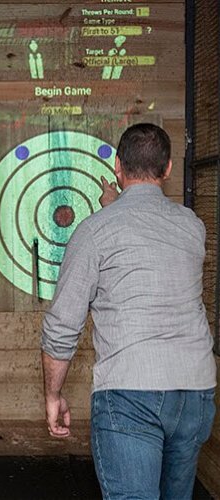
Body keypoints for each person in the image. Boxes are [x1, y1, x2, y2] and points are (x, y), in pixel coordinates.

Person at [41, 123, 217, 499]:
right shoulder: (193, 227)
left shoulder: (94, 232)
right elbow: (147, 240)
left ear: (118, 166)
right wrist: (114, 207)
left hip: (131, 392)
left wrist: (53, 394)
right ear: (168, 168)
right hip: (195, 391)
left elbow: (62, 325)